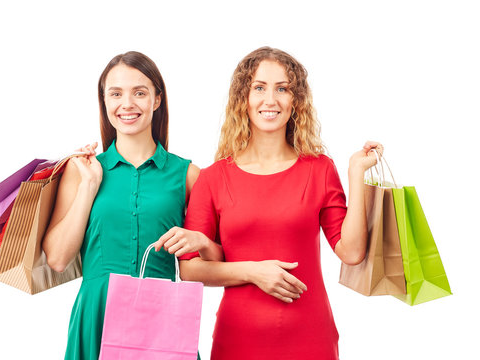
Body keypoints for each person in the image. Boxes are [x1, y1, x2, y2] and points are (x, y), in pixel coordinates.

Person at [155, 46, 383, 360]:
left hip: (310, 340)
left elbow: (353, 252)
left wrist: (356, 172)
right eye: (259, 88)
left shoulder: (319, 169)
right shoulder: (213, 177)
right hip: (237, 342)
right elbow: (191, 270)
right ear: (243, 99)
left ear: (296, 101)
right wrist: (253, 272)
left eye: (282, 89)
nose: (270, 100)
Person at [42, 51, 220, 360]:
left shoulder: (189, 175)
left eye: (140, 92)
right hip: (96, 316)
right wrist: (88, 187)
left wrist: (202, 241)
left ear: (156, 100)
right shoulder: (81, 170)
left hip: (163, 320)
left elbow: (218, 258)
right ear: (104, 102)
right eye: (116, 93)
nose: (127, 103)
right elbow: (57, 259)